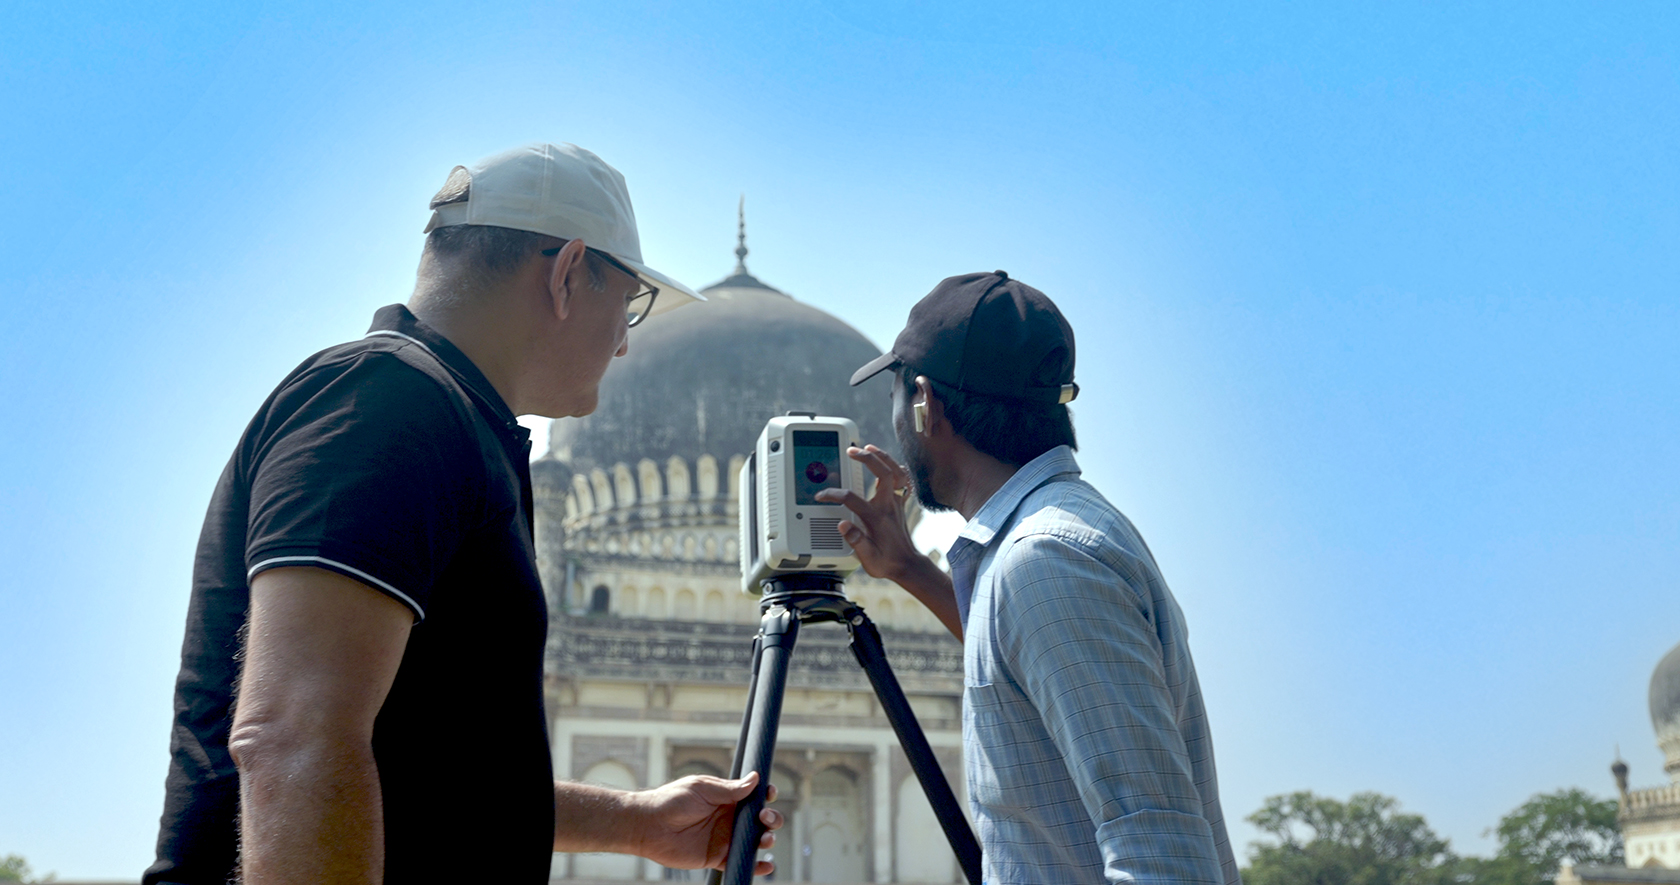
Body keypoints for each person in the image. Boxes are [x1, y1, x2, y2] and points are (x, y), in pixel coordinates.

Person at [144, 143, 781, 885]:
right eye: (629, 302)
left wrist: (636, 822)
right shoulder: (384, 402)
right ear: (568, 273)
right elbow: (292, 733)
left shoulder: (448, 425)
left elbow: (421, 770)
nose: (625, 338)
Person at [818, 271, 1242, 884]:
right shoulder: (1053, 539)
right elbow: (1029, 664)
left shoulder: (1046, 558)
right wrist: (908, 568)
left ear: (926, 404)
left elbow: (1159, 849)